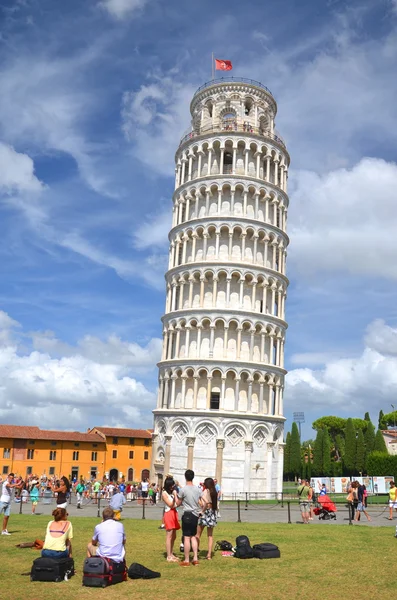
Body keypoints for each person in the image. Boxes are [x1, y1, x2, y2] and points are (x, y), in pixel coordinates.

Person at [176, 469, 202, 566]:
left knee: (186, 537)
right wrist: (201, 510)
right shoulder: (198, 489)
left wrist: (175, 497)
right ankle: (195, 558)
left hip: (187, 514)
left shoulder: (183, 490)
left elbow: (178, 503)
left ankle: (187, 560)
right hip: (195, 514)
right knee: (193, 537)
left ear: (185, 477)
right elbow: (204, 502)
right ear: (193, 477)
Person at [196, 477, 218, 560]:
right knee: (210, 535)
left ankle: (196, 551)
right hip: (212, 513)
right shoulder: (214, 492)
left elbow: (203, 504)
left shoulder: (205, 491)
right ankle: (209, 554)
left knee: (198, 534)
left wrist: (199, 501)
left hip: (205, 513)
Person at [161, 477, 180, 562]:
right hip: (169, 513)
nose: (173, 487)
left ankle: (171, 553)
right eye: (172, 485)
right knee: (169, 535)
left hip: (174, 512)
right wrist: (174, 495)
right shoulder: (164, 493)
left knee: (174, 536)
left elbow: (177, 503)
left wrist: (177, 496)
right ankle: (168, 556)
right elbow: (170, 504)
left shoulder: (172, 492)